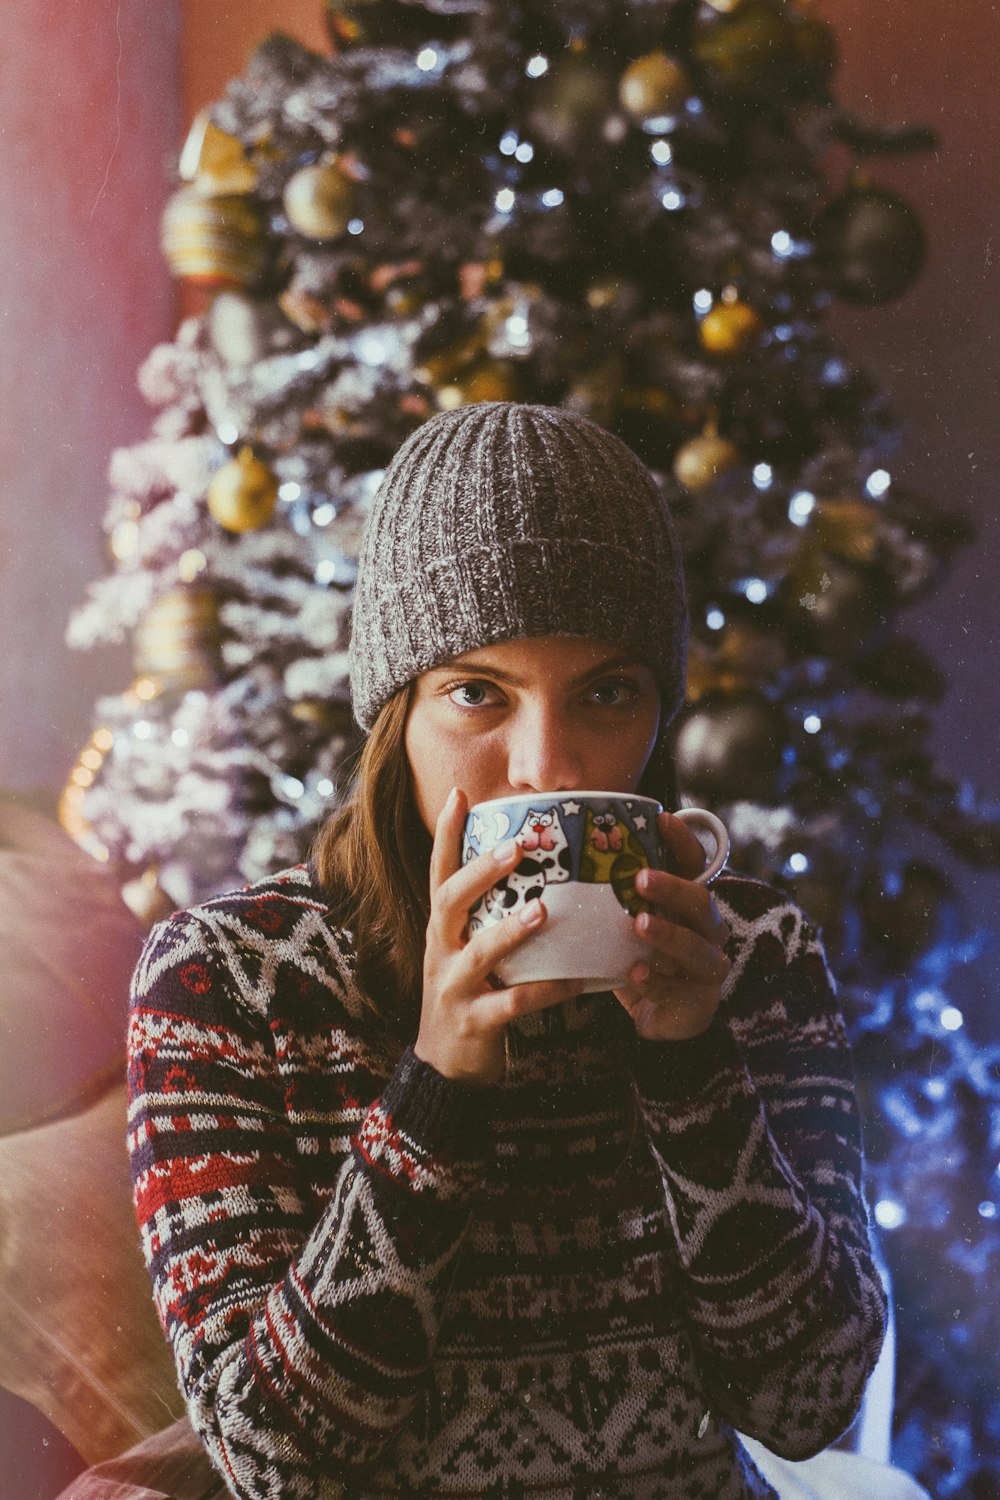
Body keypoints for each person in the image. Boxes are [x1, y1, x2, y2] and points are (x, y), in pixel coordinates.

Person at [126, 403, 890, 1499]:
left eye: (606, 693)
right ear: (397, 713)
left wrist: (690, 1065)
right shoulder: (225, 982)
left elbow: (808, 1402)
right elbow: (272, 1460)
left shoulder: (752, 954)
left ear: (657, 715)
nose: (545, 766)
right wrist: (437, 1089)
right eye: (477, 693)